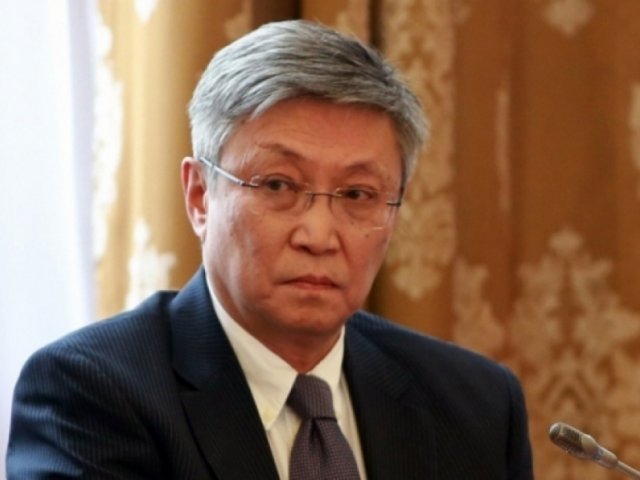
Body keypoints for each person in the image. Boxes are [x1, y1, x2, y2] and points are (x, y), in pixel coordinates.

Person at [6, 20, 534, 479]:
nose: (319, 236)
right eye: (278, 185)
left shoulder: (475, 405)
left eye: (357, 195)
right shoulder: (93, 394)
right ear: (200, 196)